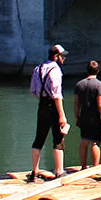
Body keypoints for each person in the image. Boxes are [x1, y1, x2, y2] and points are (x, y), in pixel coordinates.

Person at [26, 45, 69, 182]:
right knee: (58, 137)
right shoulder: (55, 70)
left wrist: (43, 100)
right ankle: (59, 171)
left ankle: (34, 171)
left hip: (42, 105)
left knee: (39, 137)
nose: (64, 58)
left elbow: (33, 91)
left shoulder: (38, 68)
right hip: (53, 106)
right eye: (62, 56)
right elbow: (57, 94)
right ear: (56, 57)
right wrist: (61, 114)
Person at [74, 61, 101, 171]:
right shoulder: (99, 84)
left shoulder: (79, 84)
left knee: (84, 141)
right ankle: (95, 167)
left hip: (83, 116)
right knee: (95, 142)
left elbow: (76, 103)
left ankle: (83, 166)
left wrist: (77, 117)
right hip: (95, 117)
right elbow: (100, 104)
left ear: (87, 70)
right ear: (98, 71)